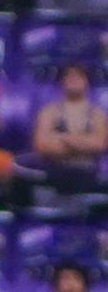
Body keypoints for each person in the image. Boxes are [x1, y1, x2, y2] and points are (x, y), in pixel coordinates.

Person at [32, 64, 108, 194]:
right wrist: (84, 145)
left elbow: (99, 144)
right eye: (69, 75)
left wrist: (62, 137)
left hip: (89, 179)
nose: (73, 78)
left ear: (87, 81)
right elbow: (41, 145)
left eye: (79, 76)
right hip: (55, 177)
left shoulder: (98, 115)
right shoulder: (49, 112)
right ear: (62, 81)